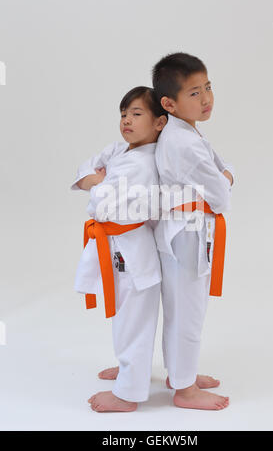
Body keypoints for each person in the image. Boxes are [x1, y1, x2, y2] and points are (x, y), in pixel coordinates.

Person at [70, 86, 167, 412]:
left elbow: (103, 205)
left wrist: (98, 182)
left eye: (137, 114)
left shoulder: (143, 163)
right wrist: (98, 179)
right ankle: (130, 372)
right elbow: (85, 168)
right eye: (123, 114)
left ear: (159, 123)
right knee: (124, 319)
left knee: (133, 322)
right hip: (118, 248)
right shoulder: (121, 152)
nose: (126, 120)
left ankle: (128, 394)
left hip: (133, 253)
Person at [151, 52, 235, 410]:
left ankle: (179, 374)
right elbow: (220, 195)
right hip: (186, 235)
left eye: (208, 88)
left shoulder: (183, 132)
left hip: (181, 232)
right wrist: (227, 179)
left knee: (181, 307)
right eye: (195, 93)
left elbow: (219, 177)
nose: (207, 99)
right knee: (189, 310)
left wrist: (223, 177)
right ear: (169, 103)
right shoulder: (183, 142)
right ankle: (184, 390)